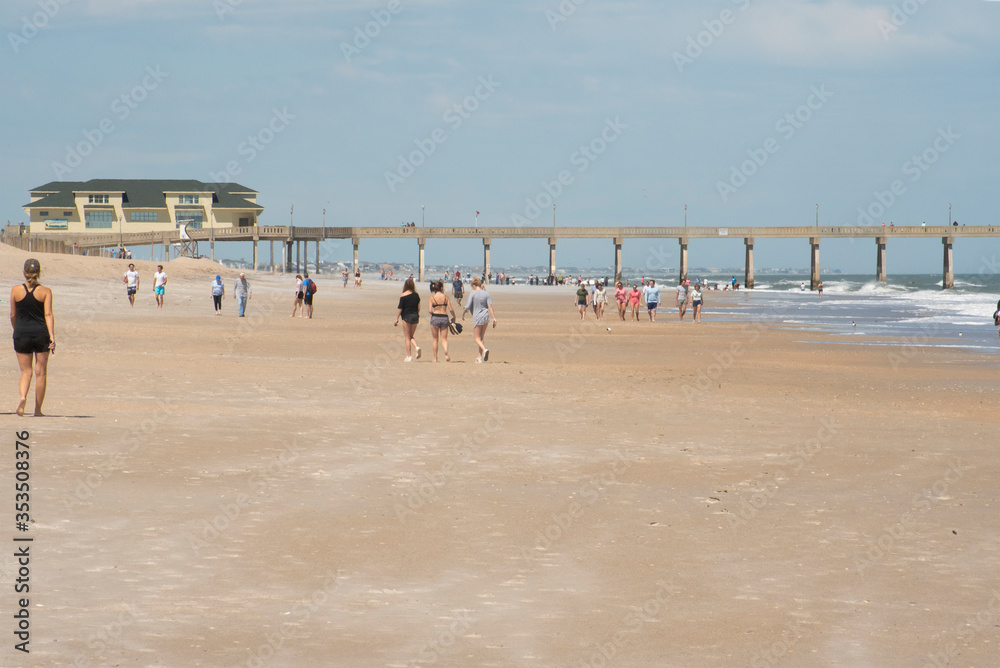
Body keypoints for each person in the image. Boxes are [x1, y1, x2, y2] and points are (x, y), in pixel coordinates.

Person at [10, 259, 54, 417]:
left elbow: (13, 314)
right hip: (41, 333)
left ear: (24, 272)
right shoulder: (45, 291)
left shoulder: (15, 290)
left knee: (25, 372)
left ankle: (22, 397)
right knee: (40, 372)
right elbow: (48, 314)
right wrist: (52, 336)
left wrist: (18, 330)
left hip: (21, 333)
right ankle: (37, 410)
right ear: (39, 273)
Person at [463, 276, 497, 362]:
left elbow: (468, 306)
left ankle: (485, 350)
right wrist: (494, 318)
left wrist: (463, 314)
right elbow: (490, 306)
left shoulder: (473, 293)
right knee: (481, 337)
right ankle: (479, 357)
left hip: (477, 317)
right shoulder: (486, 293)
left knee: (477, 338)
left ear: (474, 285)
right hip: (486, 317)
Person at [427, 280, 456, 362]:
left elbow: (430, 311)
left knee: (435, 339)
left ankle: (435, 358)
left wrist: (434, 312)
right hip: (444, 317)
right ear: (441, 288)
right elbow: (450, 309)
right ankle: (446, 351)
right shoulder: (446, 297)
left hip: (435, 317)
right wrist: (454, 316)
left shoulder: (431, 298)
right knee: (444, 339)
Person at [394, 277, 421, 362]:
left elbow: (400, 308)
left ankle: (409, 356)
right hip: (415, 316)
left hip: (406, 316)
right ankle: (416, 347)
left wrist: (397, 318)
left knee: (407, 337)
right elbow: (419, 307)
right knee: (411, 336)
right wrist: (416, 313)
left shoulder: (403, 295)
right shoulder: (416, 295)